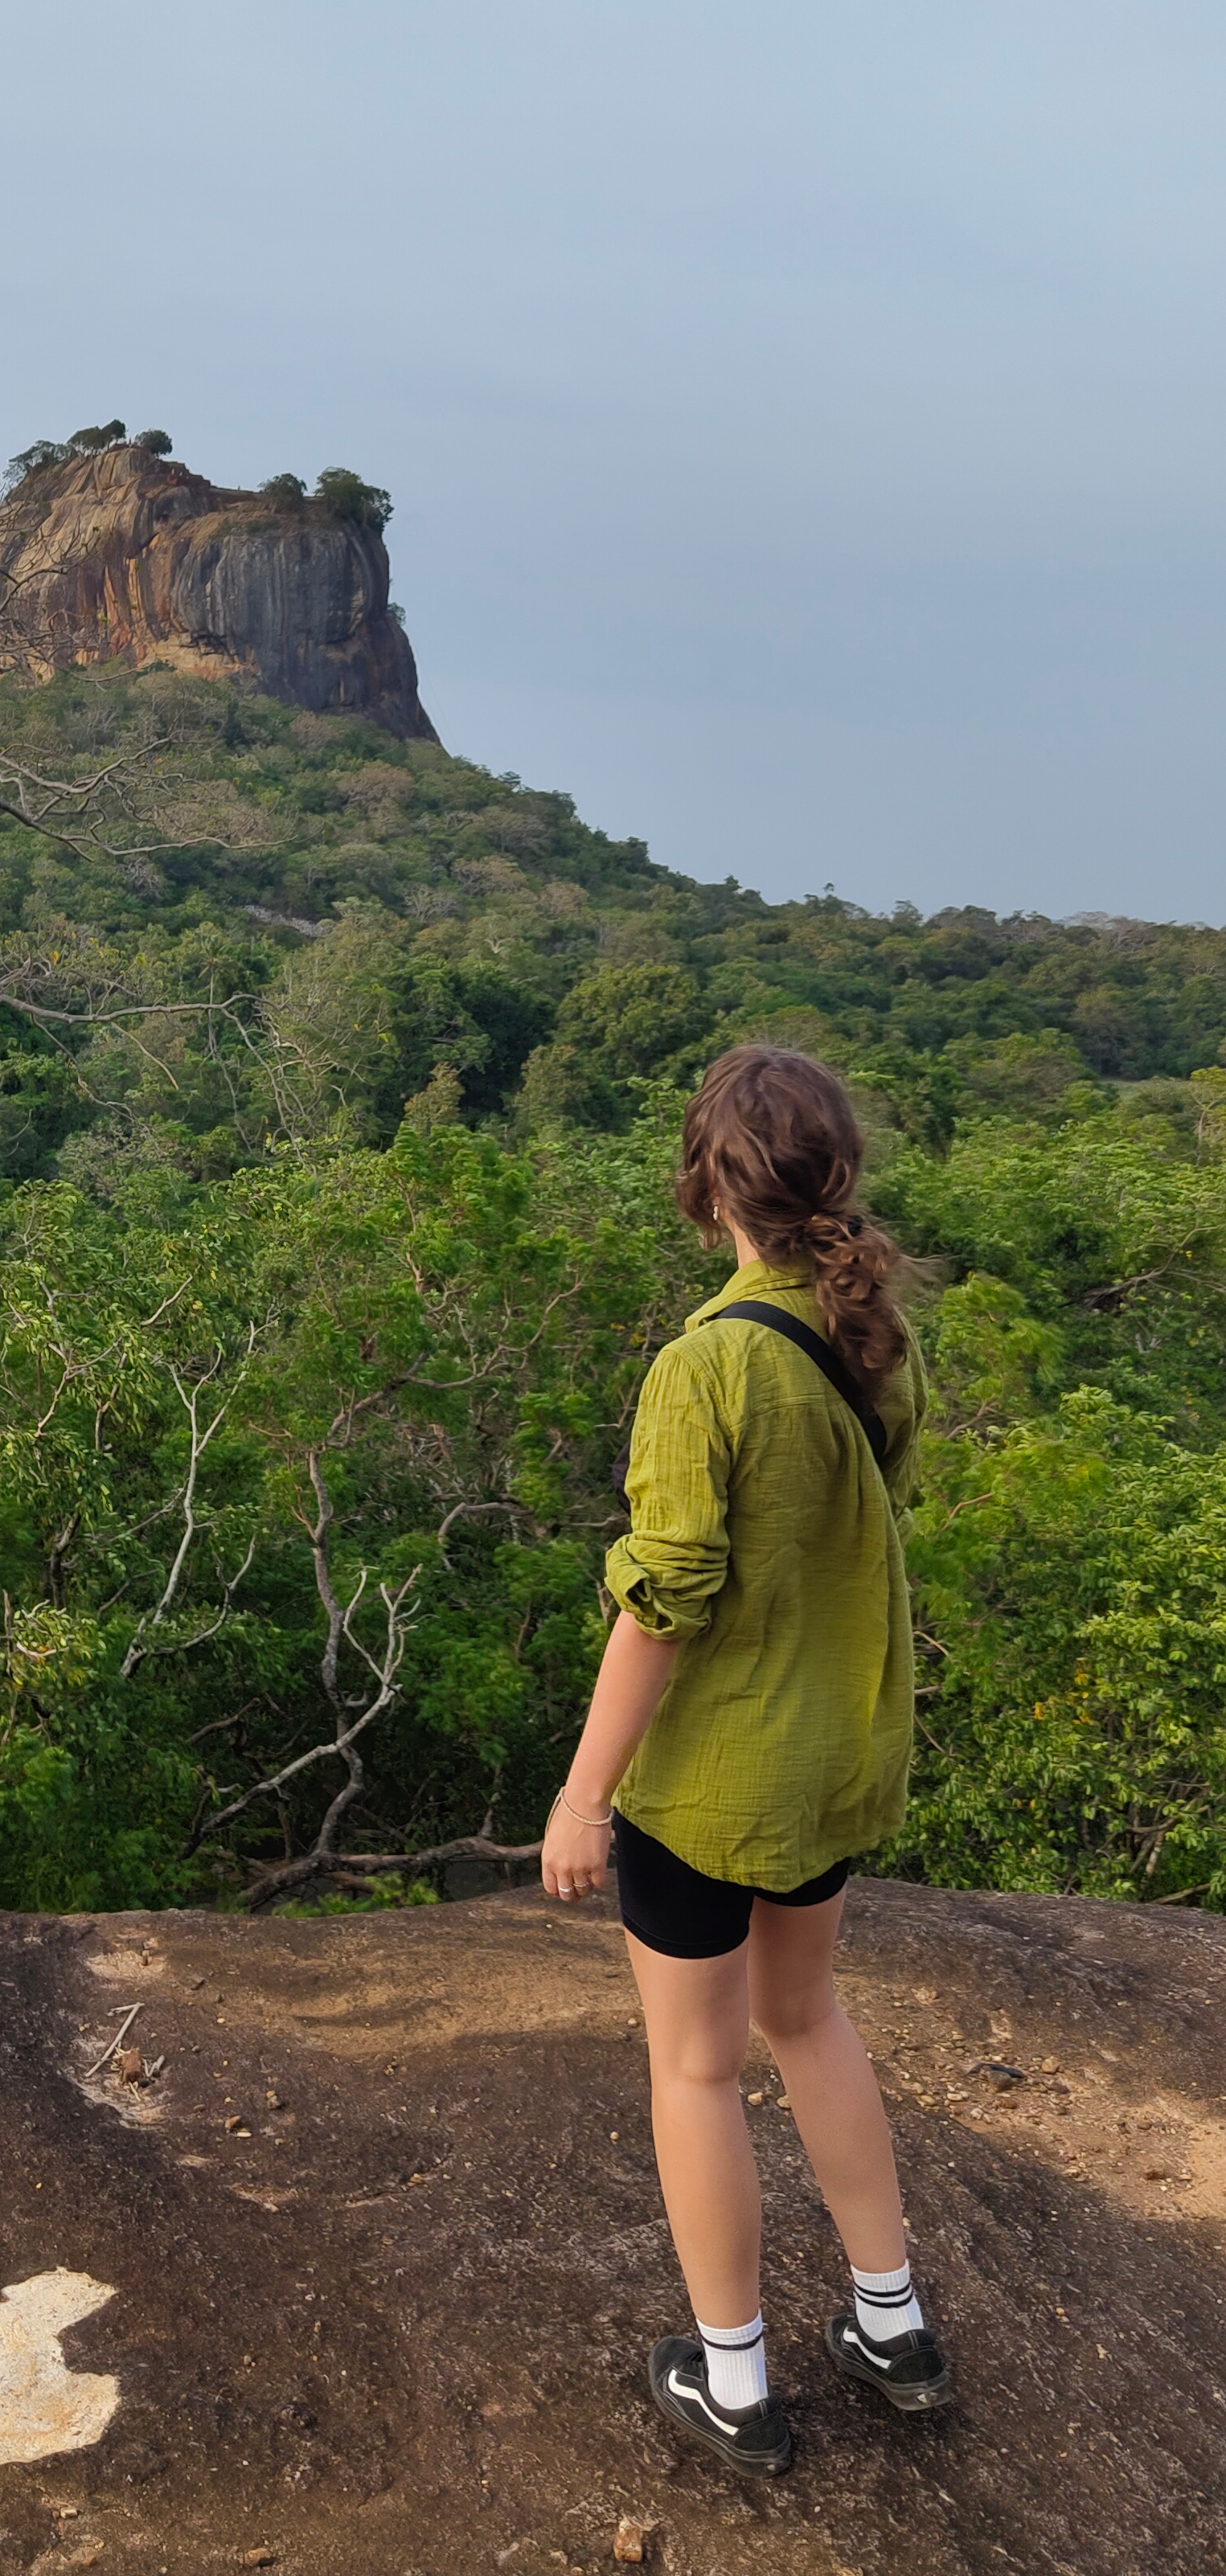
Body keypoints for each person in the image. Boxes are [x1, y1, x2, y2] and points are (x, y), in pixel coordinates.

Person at [540, 1042, 951, 2476]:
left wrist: (584, 1797)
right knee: (809, 2017)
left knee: (699, 2070)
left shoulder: (704, 1366)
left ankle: (735, 2380)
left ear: (711, 1183)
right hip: (834, 1758)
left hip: (711, 1783)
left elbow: (662, 1604)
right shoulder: (875, 1338)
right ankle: (892, 2328)